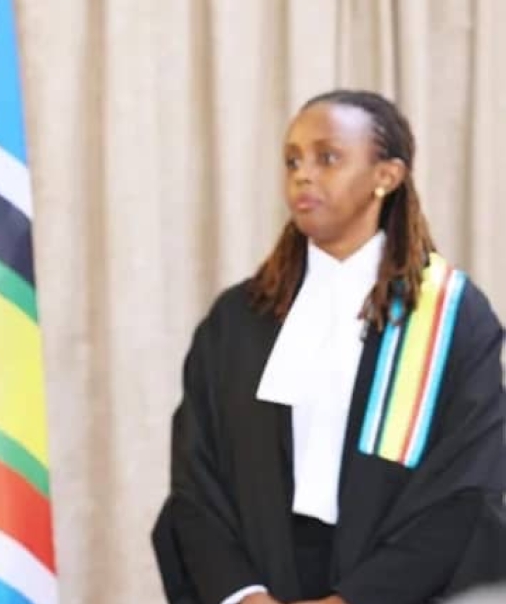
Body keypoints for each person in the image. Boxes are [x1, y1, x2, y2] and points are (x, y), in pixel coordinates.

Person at [151, 90, 506, 604]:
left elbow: (465, 489)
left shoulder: (451, 319)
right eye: (292, 160)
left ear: (387, 176)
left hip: (392, 591)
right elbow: (195, 477)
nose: (303, 174)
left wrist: (351, 600)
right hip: (261, 582)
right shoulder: (239, 318)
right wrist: (243, 594)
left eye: (327, 157)